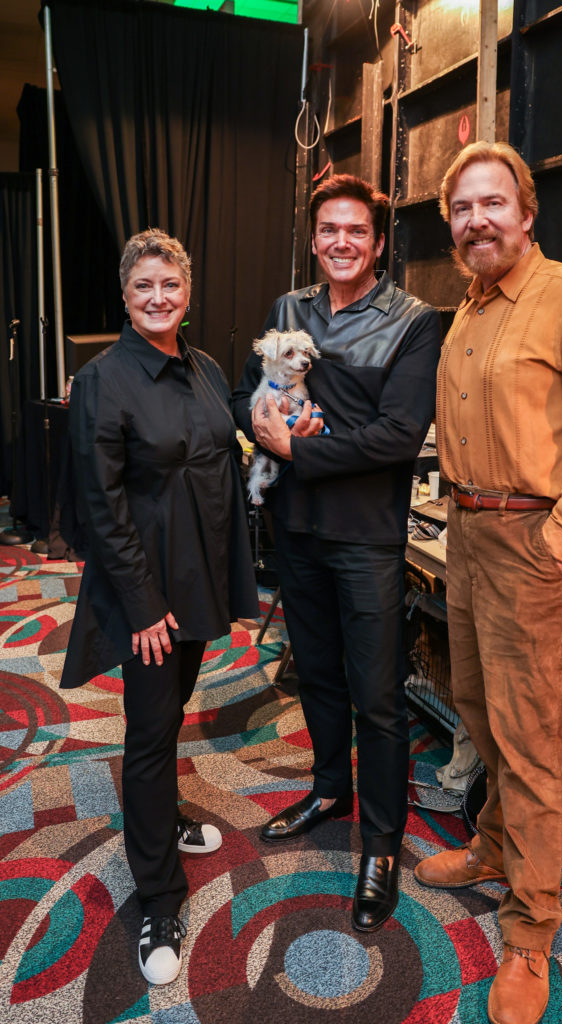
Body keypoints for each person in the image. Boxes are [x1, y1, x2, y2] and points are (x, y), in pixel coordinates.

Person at [413, 142, 562, 1024]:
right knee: (476, 703)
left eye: (491, 203)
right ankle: (495, 843)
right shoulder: (469, 311)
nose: (477, 221)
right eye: (462, 209)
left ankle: (530, 930)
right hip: (468, 533)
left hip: (535, 542)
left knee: (532, 735)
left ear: (525, 210)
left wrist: (561, 542)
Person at [233, 174, 441, 932]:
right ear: (314, 238)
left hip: (364, 539)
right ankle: (329, 789)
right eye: (328, 230)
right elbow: (245, 395)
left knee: (377, 696)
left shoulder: (414, 321)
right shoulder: (289, 310)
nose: (341, 243)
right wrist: (256, 419)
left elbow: (397, 435)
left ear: (378, 242)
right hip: (294, 530)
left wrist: (293, 446)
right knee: (315, 673)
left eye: (356, 231)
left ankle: (381, 843)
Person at [61, 229, 258, 986]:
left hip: (199, 577)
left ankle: (165, 817)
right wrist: (142, 606)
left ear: (186, 291)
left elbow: (226, 448)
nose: (157, 297)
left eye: (169, 284)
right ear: (124, 294)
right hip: (145, 589)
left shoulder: (203, 368)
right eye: (143, 285)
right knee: (148, 732)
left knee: (171, 712)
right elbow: (99, 507)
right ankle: (158, 898)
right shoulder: (104, 379)